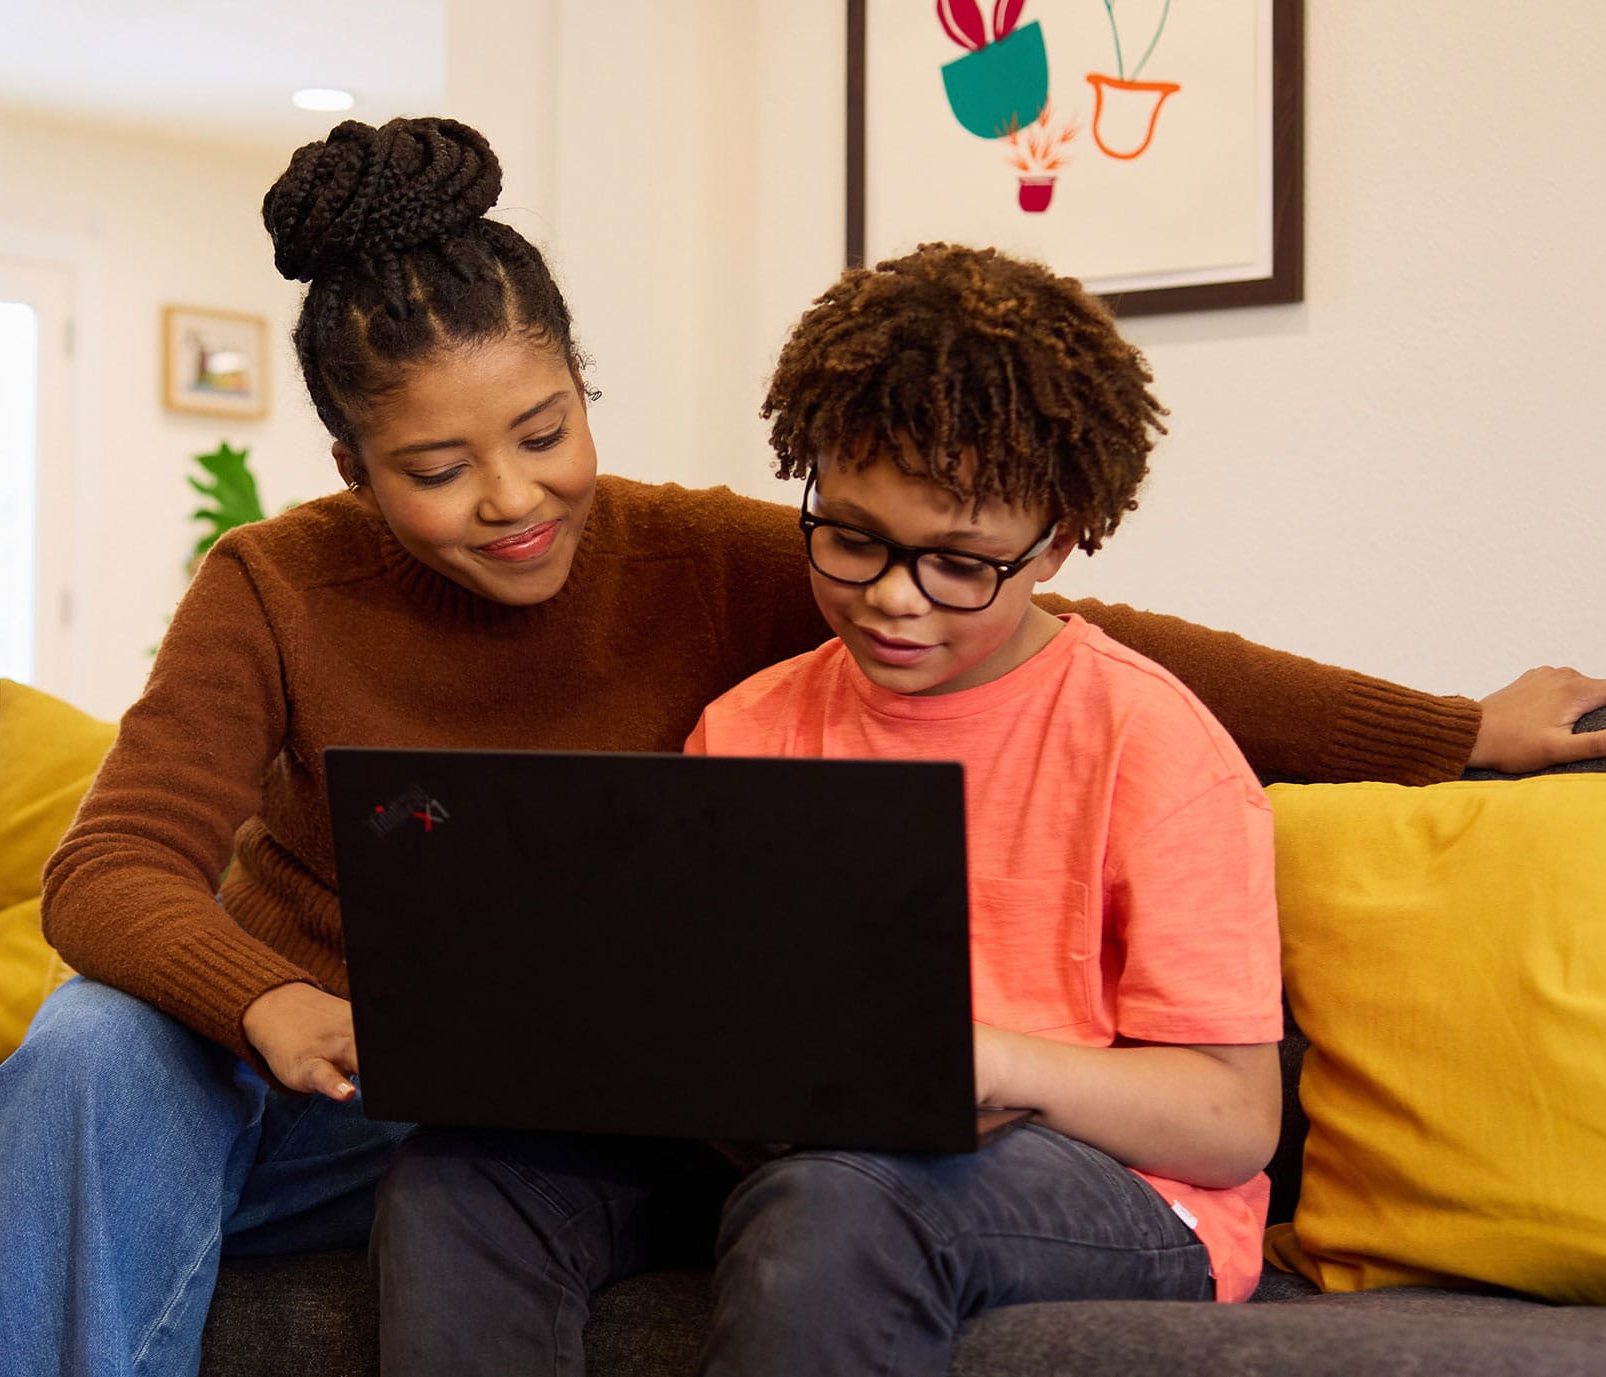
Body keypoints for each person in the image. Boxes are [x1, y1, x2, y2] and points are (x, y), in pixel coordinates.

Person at [0, 118, 1606, 1376]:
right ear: (352, 471)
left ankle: (12, 1184)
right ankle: (48, 1173)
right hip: (314, 1070)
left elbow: (1096, 647)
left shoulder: (733, 560)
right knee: (99, 1056)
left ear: (588, 388)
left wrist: (1451, 732)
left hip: (618, 1093)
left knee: (543, 1157)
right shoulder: (285, 585)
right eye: (435, 469)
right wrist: (268, 1005)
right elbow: (112, 872)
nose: (512, 501)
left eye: (544, 430)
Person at [370, 241, 1281, 1375]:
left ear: (1055, 540)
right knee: (463, 1174)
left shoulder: (1149, 742)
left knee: (839, 1199)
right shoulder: (748, 723)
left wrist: (984, 1061)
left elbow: (1232, 1122)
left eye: (957, 562)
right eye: (849, 539)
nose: (892, 598)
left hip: (1105, 1186)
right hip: (790, 1154)